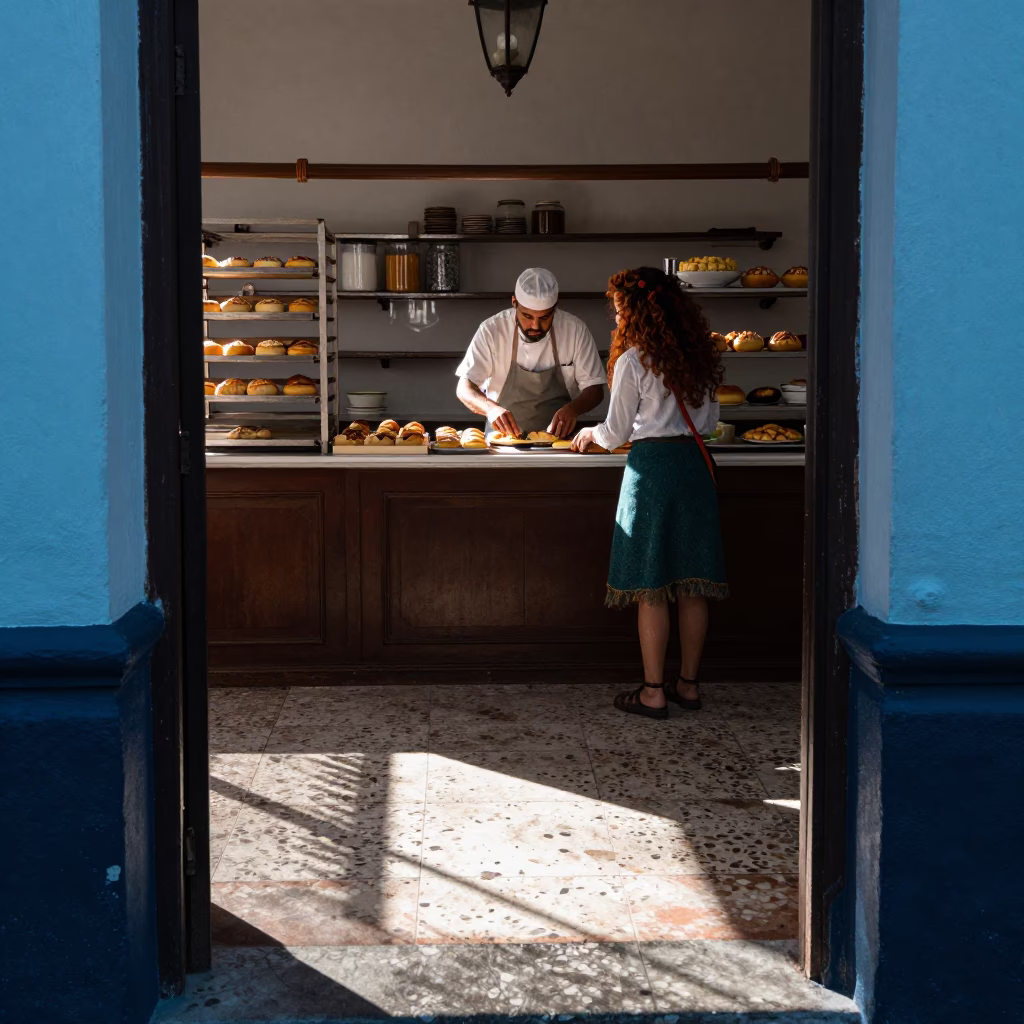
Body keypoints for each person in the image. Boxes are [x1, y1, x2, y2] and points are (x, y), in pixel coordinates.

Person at [572, 266, 729, 719]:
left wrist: (590, 437)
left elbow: (616, 429)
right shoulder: (702, 356)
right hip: (695, 470)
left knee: (652, 586)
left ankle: (653, 691)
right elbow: (712, 424)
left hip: (652, 471)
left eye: (621, 310)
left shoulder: (633, 360)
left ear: (637, 312)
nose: (617, 319)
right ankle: (690, 686)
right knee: (693, 584)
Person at [455, 268, 606, 437]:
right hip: (503, 441)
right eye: (527, 316)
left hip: (559, 441)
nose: (535, 326)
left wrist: (573, 409)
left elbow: (594, 389)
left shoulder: (575, 330)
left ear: (555, 308)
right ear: (514, 303)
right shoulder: (492, 330)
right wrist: (490, 409)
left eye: (544, 318)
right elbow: (464, 388)